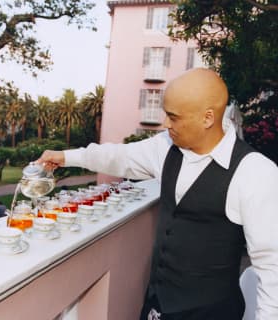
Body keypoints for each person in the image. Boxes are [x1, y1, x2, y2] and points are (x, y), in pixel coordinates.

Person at [37, 68, 278, 320]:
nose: (165, 124)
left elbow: (272, 267)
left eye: (173, 117)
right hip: (156, 306)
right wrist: (64, 157)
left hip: (211, 312)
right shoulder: (165, 147)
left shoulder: (255, 172)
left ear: (207, 118)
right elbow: (119, 156)